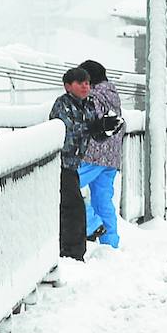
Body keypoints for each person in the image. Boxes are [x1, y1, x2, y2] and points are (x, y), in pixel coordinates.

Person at [49, 67, 99, 260]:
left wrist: (104, 128)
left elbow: (93, 130)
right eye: (80, 83)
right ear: (68, 86)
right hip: (61, 163)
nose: (85, 87)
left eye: (87, 83)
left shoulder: (88, 104)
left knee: (73, 206)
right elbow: (68, 130)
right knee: (74, 207)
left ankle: (73, 251)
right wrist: (92, 127)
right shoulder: (62, 105)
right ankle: (71, 252)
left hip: (74, 164)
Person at [78, 60, 125, 248]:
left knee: (66, 187)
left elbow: (87, 121)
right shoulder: (112, 94)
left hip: (92, 155)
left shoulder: (93, 97)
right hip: (111, 158)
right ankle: (110, 242)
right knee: (102, 198)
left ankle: (92, 223)